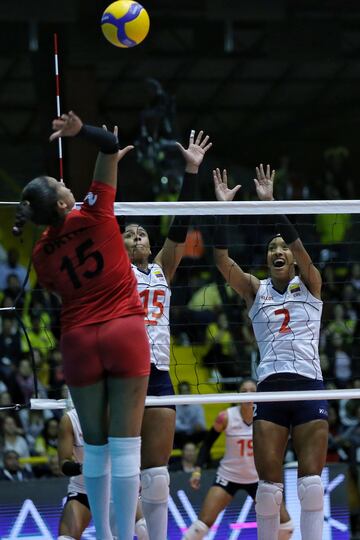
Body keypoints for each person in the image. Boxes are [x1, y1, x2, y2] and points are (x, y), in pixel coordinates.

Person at [12, 111, 151, 540]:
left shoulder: (39, 253)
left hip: (78, 340)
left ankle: (105, 537)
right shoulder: (95, 211)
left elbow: (58, 290)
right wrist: (80, 133)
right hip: (123, 329)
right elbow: (109, 146)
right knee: (127, 445)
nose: (69, 186)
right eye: (62, 187)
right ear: (61, 203)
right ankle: (124, 538)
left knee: (95, 446)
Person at [212, 165, 329, 540]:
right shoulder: (254, 289)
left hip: (309, 384)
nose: (278, 251)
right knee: (267, 489)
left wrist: (271, 205)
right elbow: (221, 262)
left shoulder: (311, 283)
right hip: (271, 389)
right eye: (271, 248)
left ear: (292, 258)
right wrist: (224, 210)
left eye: (283, 248)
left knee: (311, 485)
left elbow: (297, 244)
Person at [122, 128, 212, 540]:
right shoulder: (112, 272)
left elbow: (182, 223)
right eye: (129, 233)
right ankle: (129, 530)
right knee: (122, 469)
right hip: (123, 372)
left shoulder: (162, 268)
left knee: (157, 474)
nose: (136, 237)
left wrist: (191, 172)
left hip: (159, 372)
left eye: (141, 233)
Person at [183, 378, 293, 540]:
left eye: (252, 391)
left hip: (257, 479)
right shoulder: (226, 417)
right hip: (228, 477)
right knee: (200, 527)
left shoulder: (266, 418)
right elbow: (206, 444)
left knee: (286, 527)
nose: (248, 394)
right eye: (244, 391)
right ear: (237, 395)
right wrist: (197, 470)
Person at [57, 406, 149, 540]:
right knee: (65, 539)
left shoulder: (124, 413)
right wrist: (82, 468)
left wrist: (138, 476)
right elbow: (63, 464)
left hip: (120, 486)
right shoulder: (70, 420)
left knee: (145, 529)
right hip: (84, 489)